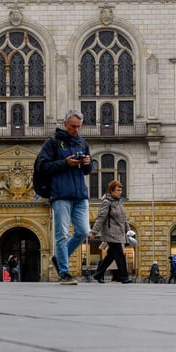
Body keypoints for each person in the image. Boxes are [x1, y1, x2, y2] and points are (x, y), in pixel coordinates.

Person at [36, 110, 92, 285]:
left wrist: (88, 164)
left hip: (80, 195)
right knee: (62, 233)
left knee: (83, 231)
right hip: (61, 194)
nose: (76, 130)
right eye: (73, 126)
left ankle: (60, 258)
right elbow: (42, 166)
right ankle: (64, 272)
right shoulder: (52, 143)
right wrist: (65, 163)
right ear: (65, 124)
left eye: (78, 127)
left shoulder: (82, 143)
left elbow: (86, 171)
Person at [90, 180, 132, 284]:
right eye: (118, 190)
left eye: (121, 190)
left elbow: (124, 219)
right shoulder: (107, 202)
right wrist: (94, 232)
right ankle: (124, 277)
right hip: (111, 233)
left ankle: (98, 274)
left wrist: (129, 231)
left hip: (119, 233)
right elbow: (101, 218)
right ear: (111, 191)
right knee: (119, 255)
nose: (120, 192)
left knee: (111, 256)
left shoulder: (119, 202)